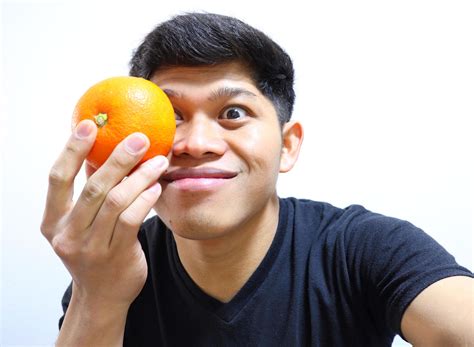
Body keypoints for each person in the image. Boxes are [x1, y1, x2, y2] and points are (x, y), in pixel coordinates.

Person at [41, 12, 473, 346]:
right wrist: (98, 295)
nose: (195, 143)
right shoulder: (109, 267)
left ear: (288, 146)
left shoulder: (362, 249)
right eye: (171, 117)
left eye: (233, 113)